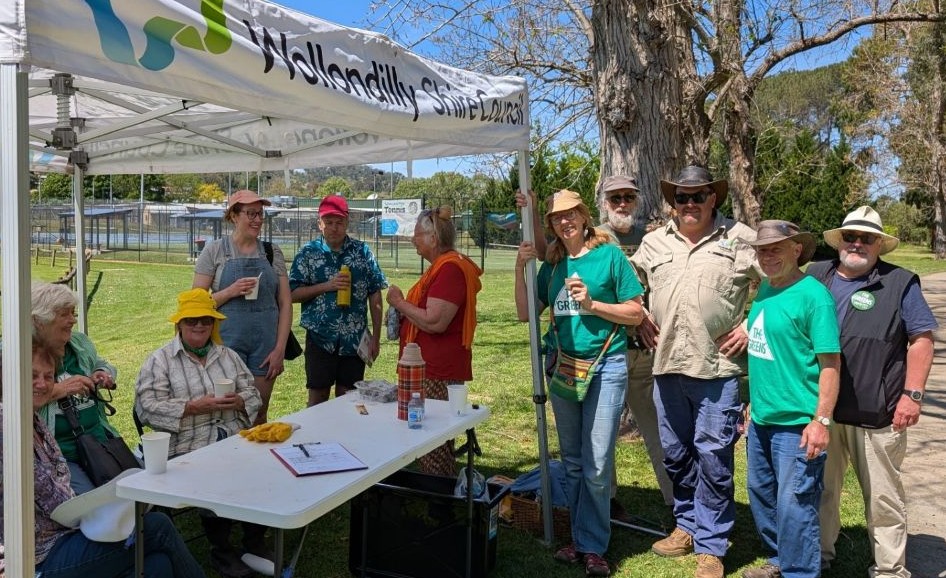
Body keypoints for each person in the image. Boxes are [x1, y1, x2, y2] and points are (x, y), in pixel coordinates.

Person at [629, 165, 760, 578]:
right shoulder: (653, 242)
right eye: (681, 197)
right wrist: (639, 315)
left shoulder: (740, 238)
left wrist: (751, 325)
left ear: (712, 198)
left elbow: (779, 281)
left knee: (714, 457)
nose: (689, 204)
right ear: (673, 202)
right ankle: (686, 524)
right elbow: (627, 282)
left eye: (698, 196)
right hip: (667, 364)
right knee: (676, 454)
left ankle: (712, 546)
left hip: (716, 369)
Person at [514, 189, 644, 577]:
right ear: (552, 225)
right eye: (557, 217)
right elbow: (525, 313)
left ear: (585, 216)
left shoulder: (610, 257)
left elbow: (636, 313)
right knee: (572, 461)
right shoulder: (553, 265)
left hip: (606, 366)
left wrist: (592, 304)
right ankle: (580, 539)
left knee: (597, 463)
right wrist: (519, 270)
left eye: (571, 214)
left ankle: (593, 544)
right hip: (564, 368)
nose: (565, 221)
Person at [0, 341, 207, 578]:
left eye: (49, 376)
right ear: (8, 376)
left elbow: (60, 494)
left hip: (64, 538)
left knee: (157, 566)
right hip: (33, 559)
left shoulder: (34, 421)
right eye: (32, 375)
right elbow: (51, 500)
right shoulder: (6, 425)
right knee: (156, 527)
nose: (42, 383)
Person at [809, 206, 937, 578]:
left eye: (867, 238)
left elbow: (921, 340)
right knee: (820, 490)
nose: (857, 243)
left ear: (879, 244)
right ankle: (818, 556)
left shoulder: (900, 282)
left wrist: (912, 395)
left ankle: (889, 569)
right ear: (839, 241)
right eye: (851, 236)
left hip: (877, 413)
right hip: (822, 410)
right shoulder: (816, 275)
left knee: (883, 497)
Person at [135, 288, 265, 578]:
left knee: (264, 467)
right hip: (188, 444)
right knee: (214, 475)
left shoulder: (228, 356)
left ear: (214, 323)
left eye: (206, 320)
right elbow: (146, 409)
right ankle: (222, 550)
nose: (199, 325)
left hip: (233, 435)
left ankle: (255, 540)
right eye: (191, 320)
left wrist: (240, 401)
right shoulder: (160, 360)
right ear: (179, 324)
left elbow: (253, 392)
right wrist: (192, 407)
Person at [742, 220, 841, 578]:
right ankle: (779, 559)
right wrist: (753, 403)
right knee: (762, 494)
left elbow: (830, 365)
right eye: (762, 250)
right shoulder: (766, 290)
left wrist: (821, 421)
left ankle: (800, 571)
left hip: (798, 423)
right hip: (762, 419)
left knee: (795, 504)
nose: (767, 256)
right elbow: (766, 352)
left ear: (797, 250)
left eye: (776, 249)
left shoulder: (814, 296)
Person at [596, 175, 675, 518]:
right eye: (615, 198)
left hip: (645, 351)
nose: (622, 204)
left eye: (628, 197)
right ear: (605, 203)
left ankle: (676, 501)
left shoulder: (652, 238)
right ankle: (608, 499)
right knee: (603, 429)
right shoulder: (594, 238)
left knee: (658, 427)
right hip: (609, 347)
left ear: (637, 200)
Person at [386, 206, 482, 477]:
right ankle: (439, 490)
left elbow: (435, 321)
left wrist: (399, 303)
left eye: (417, 234)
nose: (413, 239)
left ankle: (440, 494)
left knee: (432, 439)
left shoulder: (450, 269)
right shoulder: (443, 267)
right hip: (430, 367)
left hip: (436, 371)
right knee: (431, 437)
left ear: (433, 238)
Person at [193, 189, 291, 425]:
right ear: (234, 216)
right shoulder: (215, 250)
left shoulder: (271, 252)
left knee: (259, 413)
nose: (258, 220)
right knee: (225, 415)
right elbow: (195, 304)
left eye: (260, 214)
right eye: (251, 214)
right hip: (225, 347)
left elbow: (285, 303)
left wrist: (280, 349)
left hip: (265, 348)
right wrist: (230, 291)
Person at [289, 194, 387, 406]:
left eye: (339, 222)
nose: (334, 228)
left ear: (347, 222)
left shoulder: (362, 252)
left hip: (354, 338)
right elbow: (292, 294)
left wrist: (376, 337)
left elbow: (375, 294)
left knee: (349, 399)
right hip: (320, 337)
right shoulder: (308, 253)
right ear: (320, 223)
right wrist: (327, 286)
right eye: (329, 222)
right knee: (318, 397)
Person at [30, 281, 122, 495]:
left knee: (137, 486)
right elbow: (10, 400)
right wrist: (61, 389)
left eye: (73, 313)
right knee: (94, 502)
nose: (73, 320)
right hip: (60, 456)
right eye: (64, 314)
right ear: (40, 321)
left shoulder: (78, 343)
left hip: (99, 443)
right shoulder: (18, 352)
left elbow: (102, 363)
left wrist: (101, 372)